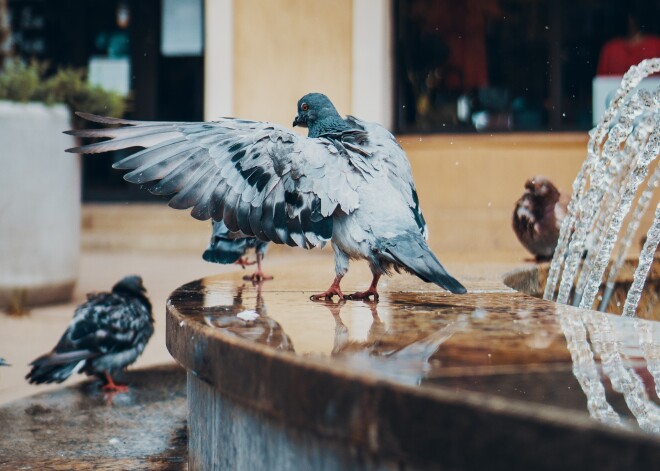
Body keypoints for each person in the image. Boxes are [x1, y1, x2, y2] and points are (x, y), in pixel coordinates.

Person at [597, 10, 660, 76]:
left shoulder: (657, 45)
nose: (630, 20)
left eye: (633, 17)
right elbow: (601, 82)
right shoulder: (610, 49)